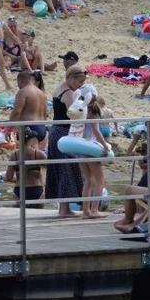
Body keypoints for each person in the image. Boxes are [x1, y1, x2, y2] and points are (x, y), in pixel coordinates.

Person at [46, 66, 87, 217]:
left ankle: (64, 207)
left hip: (56, 130)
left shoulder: (59, 88)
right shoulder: (68, 93)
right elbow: (74, 114)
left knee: (62, 168)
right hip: (63, 132)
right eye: (79, 81)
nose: (80, 85)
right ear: (71, 78)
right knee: (67, 169)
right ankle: (64, 208)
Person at [5, 127, 46, 208]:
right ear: (31, 139)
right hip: (36, 189)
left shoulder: (14, 156)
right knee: (38, 218)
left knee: (19, 218)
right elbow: (52, 169)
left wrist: (18, 178)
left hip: (19, 190)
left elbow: (8, 177)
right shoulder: (38, 154)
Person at [8, 68, 48, 146]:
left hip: (29, 127)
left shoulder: (23, 92)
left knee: (28, 154)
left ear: (20, 81)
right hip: (42, 127)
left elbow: (16, 112)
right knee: (33, 154)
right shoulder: (42, 94)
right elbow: (45, 115)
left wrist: (9, 128)